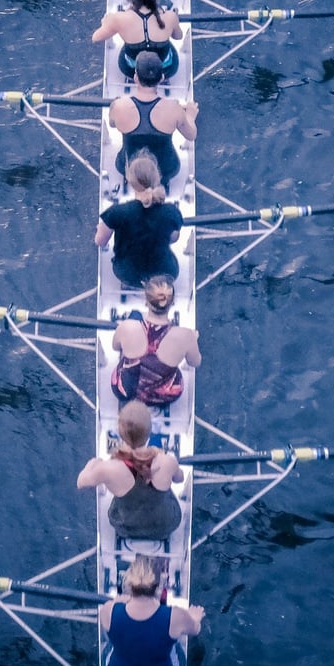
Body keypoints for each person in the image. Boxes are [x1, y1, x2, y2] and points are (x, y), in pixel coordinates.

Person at [77, 400, 183, 539]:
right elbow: (179, 479)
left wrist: (93, 463)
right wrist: (164, 459)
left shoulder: (108, 468)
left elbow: (81, 482)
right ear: (150, 430)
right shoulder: (167, 461)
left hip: (126, 529)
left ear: (120, 431)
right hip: (166, 526)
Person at [100, 555, 205, 666]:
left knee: (110, 641)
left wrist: (119, 601)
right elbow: (195, 630)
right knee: (177, 645)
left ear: (129, 583)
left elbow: (112, 617)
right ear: (159, 586)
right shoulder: (177, 616)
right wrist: (195, 617)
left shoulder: (108, 609)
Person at [108, 50, 198, 190]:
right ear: (161, 77)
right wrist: (190, 116)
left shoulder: (118, 106)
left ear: (136, 77)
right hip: (167, 170)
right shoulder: (174, 108)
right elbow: (191, 135)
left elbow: (112, 124)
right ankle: (162, 183)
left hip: (126, 167)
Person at [95, 150, 182, 288]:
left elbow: (100, 242)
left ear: (130, 181)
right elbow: (173, 238)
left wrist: (101, 227)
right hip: (165, 274)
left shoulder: (116, 212)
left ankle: (128, 284)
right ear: (158, 177)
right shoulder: (171, 212)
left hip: (127, 275)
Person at [111, 274, 201, 407]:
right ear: (172, 302)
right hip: (164, 397)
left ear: (146, 301)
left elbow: (115, 347)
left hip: (125, 391)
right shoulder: (186, 336)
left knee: (134, 316)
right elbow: (195, 362)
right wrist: (193, 340)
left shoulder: (126, 326)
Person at [92, 0, 182, 80]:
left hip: (131, 70)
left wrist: (105, 23)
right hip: (167, 70)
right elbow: (178, 37)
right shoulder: (171, 16)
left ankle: (135, 78)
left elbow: (95, 38)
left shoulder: (118, 19)